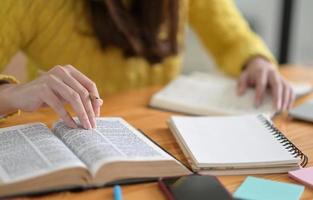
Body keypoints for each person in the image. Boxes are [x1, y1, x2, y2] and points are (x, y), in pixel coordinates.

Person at [0, 0, 294, 129]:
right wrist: (10, 95)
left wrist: (256, 61)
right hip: (71, 143)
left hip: (165, 138)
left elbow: (233, 38)